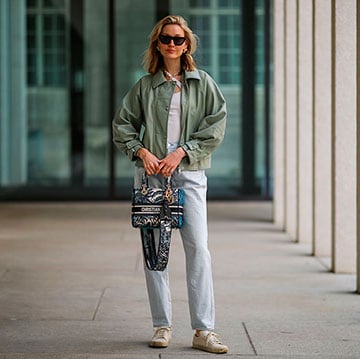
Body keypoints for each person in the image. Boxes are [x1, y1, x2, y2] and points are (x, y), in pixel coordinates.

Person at [112, 15, 228, 354]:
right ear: (157, 44)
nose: (172, 44)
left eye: (179, 39)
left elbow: (216, 124)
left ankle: (204, 331)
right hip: (151, 177)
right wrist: (141, 151)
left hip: (189, 174)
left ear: (187, 44)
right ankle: (162, 325)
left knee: (199, 250)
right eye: (166, 38)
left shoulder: (203, 83)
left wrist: (183, 152)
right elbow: (123, 127)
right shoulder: (145, 86)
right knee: (155, 254)